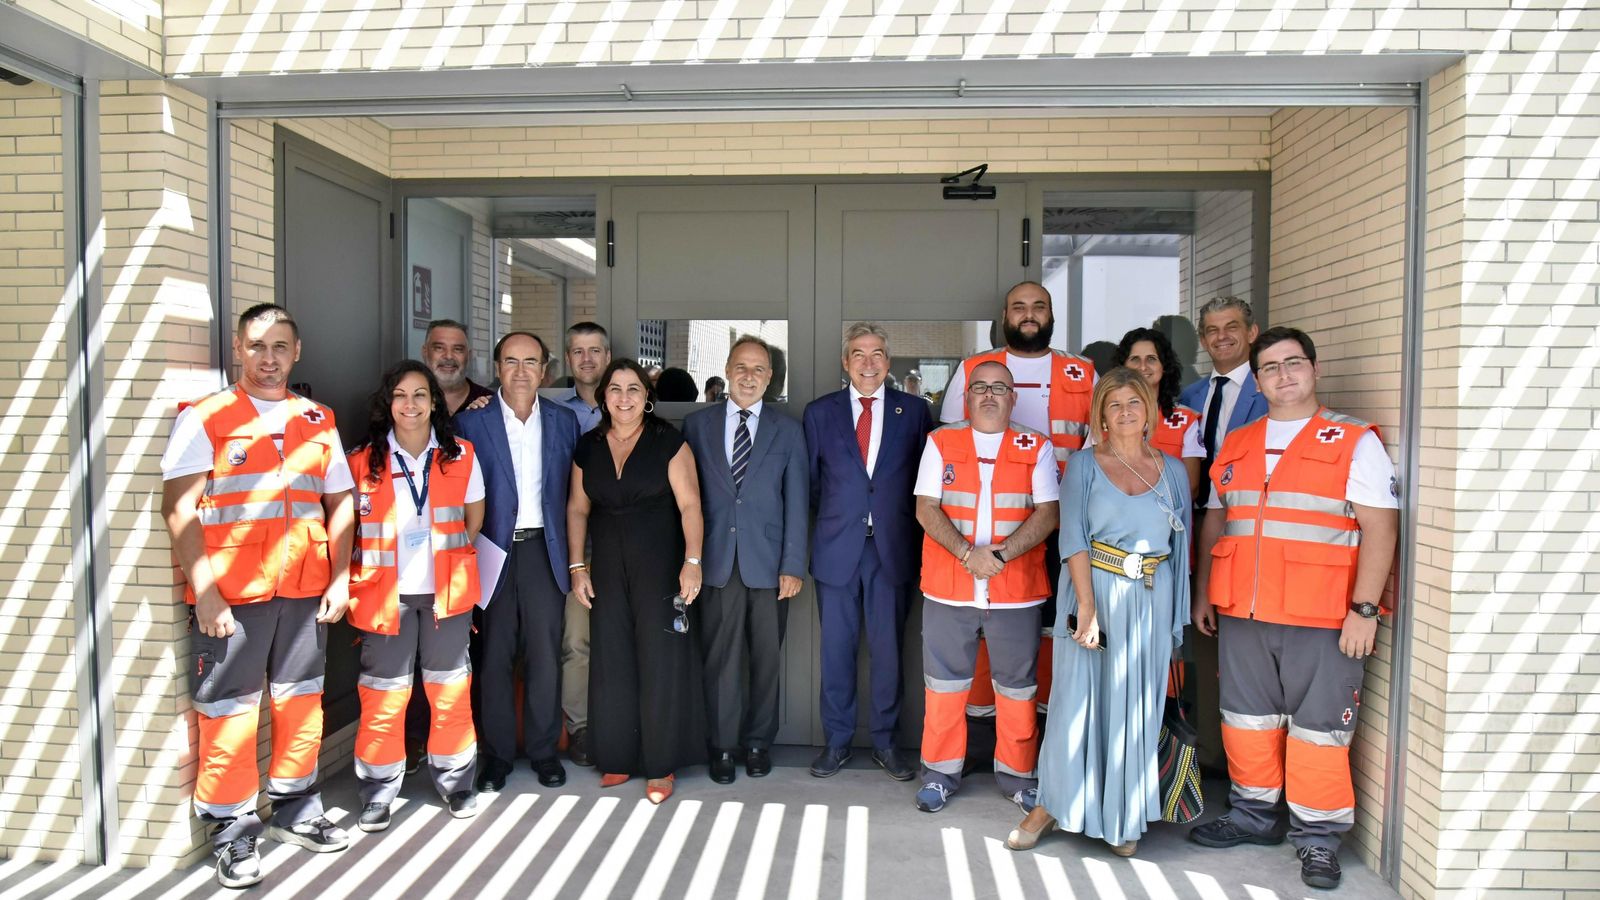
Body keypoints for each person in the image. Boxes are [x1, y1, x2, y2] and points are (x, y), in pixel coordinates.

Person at [1188, 327, 1399, 890]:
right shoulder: (1239, 440)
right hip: (1244, 612)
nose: (1284, 375)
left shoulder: (1354, 440)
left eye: (1294, 363)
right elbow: (1216, 517)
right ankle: (1254, 817)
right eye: (1271, 368)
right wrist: (1204, 589)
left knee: (1319, 730)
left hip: (1324, 616)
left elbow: (1381, 527)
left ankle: (1317, 839)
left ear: (1314, 368)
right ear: (1257, 380)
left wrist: (1366, 609)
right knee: (1246, 721)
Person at [160, 304, 353, 888]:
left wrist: (341, 577)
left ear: (297, 352)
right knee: (230, 712)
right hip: (233, 597)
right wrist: (207, 594)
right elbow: (178, 509)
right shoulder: (207, 417)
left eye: (280, 348)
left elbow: (339, 502)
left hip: (304, 591)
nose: (269, 359)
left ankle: (296, 810)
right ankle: (231, 830)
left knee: (300, 704)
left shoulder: (318, 419)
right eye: (257, 347)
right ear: (237, 351)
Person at [1008, 366, 1191, 858]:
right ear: (1101, 415)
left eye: (1134, 402)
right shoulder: (1085, 466)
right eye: (1114, 405)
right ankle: (1050, 806)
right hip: (1093, 595)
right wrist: (1087, 607)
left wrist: (1176, 622)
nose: (1125, 412)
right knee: (1074, 706)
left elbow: (1182, 547)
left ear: (1148, 410)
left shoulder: (1172, 470)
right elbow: (1072, 541)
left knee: (1136, 710)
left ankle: (1123, 815)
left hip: (1150, 600)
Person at [942, 281, 1094, 726]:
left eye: (1039, 307)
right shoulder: (974, 369)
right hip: (988, 532)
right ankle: (980, 729)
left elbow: (1101, 449)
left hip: (1065, 526)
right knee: (984, 629)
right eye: (1019, 307)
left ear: (1051, 315)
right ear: (1004, 316)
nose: (1029, 314)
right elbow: (953, 445)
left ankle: (1045, 729)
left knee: (1053, 628)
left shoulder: (1082, 372)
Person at [912, 361, 1059, 814]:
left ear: (1014, 397)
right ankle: (939, 775)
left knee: (1017, 690)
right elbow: (926, 508)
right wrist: (965, 553)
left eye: (1000, 387)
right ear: (965, 397)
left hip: (1016, 590)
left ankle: (1017, 777)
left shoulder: (1037, 446)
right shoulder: (940, 442)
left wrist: (998, 556)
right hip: (948, 589)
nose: (990, 395)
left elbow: (1048, 514)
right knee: (943, 688)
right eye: (980, 387)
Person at [346, 361, 484, 831]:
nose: (410, 404)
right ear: (389, 403)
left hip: (446, 594)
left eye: (420, 394)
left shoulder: (461, 454)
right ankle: (378, 792)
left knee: (449, 693)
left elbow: (473, 519)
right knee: (383, 697)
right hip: (387, 596)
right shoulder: (362, 460)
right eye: (400, 395)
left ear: (434, 402)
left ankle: (456, 782)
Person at [568, 359, 708, 804]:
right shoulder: (588, 446)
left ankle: (660, 764)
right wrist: (576, 566)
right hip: (607, 566)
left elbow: (691, 506)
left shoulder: (669, 441)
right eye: (615, 389)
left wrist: (692, 561)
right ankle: (618, 758)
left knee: (659, 659)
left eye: (633, 389)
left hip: (661, 565)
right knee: (612, 658)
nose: (624, 398)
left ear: (646, 397)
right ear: (603, 396)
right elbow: (577, 509)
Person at [803, 323, 935, 781]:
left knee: (887, 652)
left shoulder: (915, 412)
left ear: (888, 360)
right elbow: (813, 486)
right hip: (838, 549)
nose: (868, 362)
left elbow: (925, 483)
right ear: (845, 362)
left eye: (877, 353)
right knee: (836, 652)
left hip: (891, 549)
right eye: (858, 354)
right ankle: (837, 743)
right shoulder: (820, 413)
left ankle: (885, 743)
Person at [454, 332, 580, 793]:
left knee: (546, 656)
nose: (522, 371)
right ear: (497, 367)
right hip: (493, 551)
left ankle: (545, 751)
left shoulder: (564, 422)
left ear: (545, 369)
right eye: (511, 361)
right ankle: (499, 754)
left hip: (546, 551)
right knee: (495, 657)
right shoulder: (471, 424)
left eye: (531, 361)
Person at [683, 337, 809, 783]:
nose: (749, 376)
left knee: (765, 660)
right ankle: (721, 746)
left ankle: (757, 742)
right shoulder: (696, 427)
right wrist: (689, 558)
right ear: (728, 369)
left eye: (759, 369)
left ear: (770, 377)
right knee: (720, 658)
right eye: (741, 367)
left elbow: (797, 501)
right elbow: (687, 499)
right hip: (716, 561)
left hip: (770, 565)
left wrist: (793, 564)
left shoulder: (788, 430)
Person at [555, 321, 610, 766]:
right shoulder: (552, 411)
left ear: (607, 357)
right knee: (576, 640)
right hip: (572, 548)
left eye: (595, 350)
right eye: (578, 351)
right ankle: (581, 728)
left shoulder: (628, 408)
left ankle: (622, 719)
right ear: (568, 358)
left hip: (621, 544)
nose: (587, 358)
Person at [1179, 297, 1267, 509]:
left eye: (1231, 327)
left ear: (1252, 333)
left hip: (1247, 513)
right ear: (1203, 340)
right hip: (1194, 514)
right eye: (1212, 330)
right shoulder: (1189, 396)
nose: (1221, 337)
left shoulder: (1269, 391)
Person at [1115, 327, 1204, 494]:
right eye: (1134, 359)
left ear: (1164, 366)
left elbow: (1191, 488)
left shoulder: (1185, 419)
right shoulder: (1107, 416)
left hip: (1167, 516)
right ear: (1123, 366)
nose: (1142, 367)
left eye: (1151, 359)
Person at [422, 319, 493, 414]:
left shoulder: (491, 403)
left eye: (458, 349)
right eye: (439, 348)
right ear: (425, 352)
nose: (448, 356)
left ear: (469, 355)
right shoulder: (409, 403)